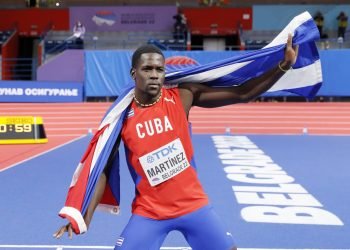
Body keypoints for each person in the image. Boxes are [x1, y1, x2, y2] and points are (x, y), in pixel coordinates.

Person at [53, 34, 298, 249]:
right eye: (147, 69)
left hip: (193, 206)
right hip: (149, 212)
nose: (154, 75)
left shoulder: (182, 97)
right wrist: (84, 215)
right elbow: (102, 169)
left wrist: (283, 66)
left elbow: (243, 92)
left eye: (159, 70)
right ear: (134, 73)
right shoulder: (121, 118)